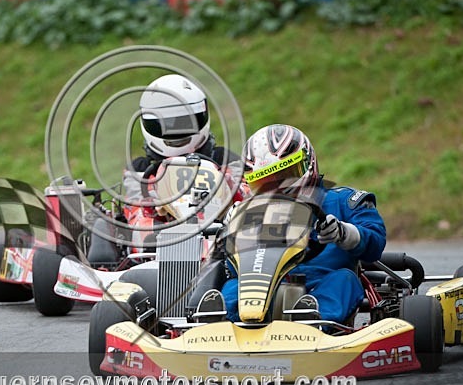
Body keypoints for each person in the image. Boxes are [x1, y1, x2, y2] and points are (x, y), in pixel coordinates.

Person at [220, 124, 386, 324]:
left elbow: (375, 242)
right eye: (264, 182)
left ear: (307, 163)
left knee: (345, 280)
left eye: (284, 176)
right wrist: (232, 232)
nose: (276, 187)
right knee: (232, 286)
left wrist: (344, 233)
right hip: (262, 288)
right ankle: (217, 320)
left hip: (322, 283)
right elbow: (233, 265)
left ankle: (312, 318)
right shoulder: (250, 212)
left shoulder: (343, 201)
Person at [119, 74, 245, 249]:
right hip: (160, 247)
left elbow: (246, 199)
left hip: (221, 240)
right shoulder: (140, 169)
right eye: (166, 124)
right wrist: (159, 200)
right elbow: (136, 213)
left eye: (184, 121)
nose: (176, 129)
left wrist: (227, 186)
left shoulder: (224, 159)